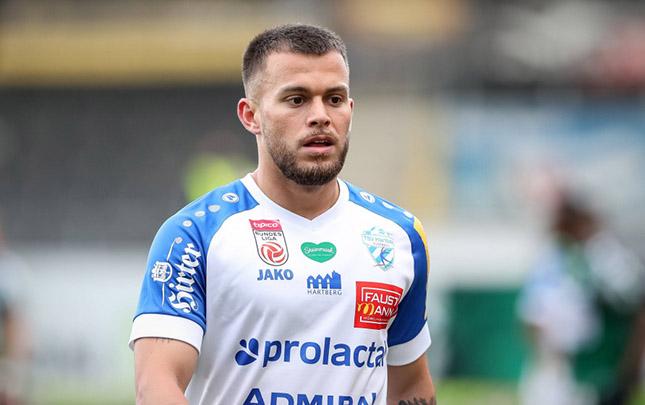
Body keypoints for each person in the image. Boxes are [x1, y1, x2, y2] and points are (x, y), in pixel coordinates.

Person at [129, 24, 436, 405]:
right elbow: (156, 385)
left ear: (350, 110)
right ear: (251, 115)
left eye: (335, 99)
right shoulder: (194, 236)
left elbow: (410, 386)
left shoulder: (399, 236)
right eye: (296, 99)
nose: (320, 116)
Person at [518, 195, 645, 405]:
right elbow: (533, 318)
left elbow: (634, 302)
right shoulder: (553, 258)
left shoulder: (601, 255)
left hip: (594, 364)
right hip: (562, 367)